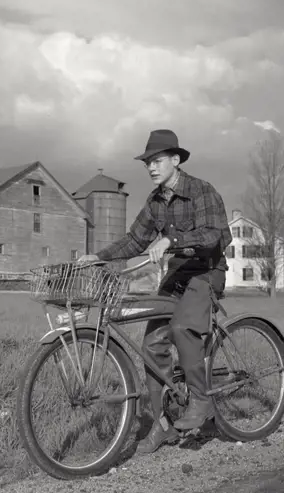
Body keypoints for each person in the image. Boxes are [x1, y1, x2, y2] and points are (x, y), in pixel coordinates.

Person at [78, 128, 232, 454]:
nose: (150, 167)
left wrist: (172, 241)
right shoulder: (155, 201)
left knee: (182, 327)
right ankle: (163, 424)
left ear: (175, 160)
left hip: (207, 270)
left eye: (157, 160)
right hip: (177, 275)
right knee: (152, 343)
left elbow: (213, 237)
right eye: (147, 162)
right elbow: (135, 240)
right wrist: (99, 256)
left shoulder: (201, 191)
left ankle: (202, 402)